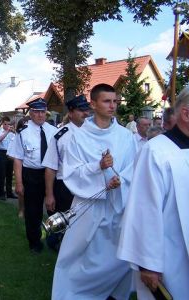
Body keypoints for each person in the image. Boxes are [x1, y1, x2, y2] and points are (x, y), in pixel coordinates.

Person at [51, 84, 137, 299]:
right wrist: (98, 167)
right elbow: (71, 171)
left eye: (115, 101)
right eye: (107, 101)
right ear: (93, 104)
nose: (112, 106)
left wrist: (121, 180)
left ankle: (113, 293)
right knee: (78, 256)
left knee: (118, 257)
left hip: (117, 205)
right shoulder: (79, 137)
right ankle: (74, 293)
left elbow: (134, 167)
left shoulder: (126, 136)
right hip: (88, 207)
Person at [117, 86, 189, 300]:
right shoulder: (156, 151)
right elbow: (144, 210)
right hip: (171, 257)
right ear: (186, 113)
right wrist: (147, 264)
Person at [7, 99, 57, 253]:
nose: (40, 115)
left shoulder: (54, 132)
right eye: (36, 112)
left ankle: (54, 240)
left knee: (54, 210)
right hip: (32, 175)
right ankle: (34, 243)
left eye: (42, 111)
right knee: (32, 211)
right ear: (31, 113)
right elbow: (18, 158)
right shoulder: (23, 133)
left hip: (51, 173)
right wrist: (19, 183)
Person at [42, 94, 91, 251]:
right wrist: (49, 195)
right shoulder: (60, 136)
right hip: (65, 186)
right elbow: (50, 167)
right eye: (81, 110)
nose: (86, 113)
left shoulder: (93, 133)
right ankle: (58, 248)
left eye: (87, 110)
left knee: (84, 223)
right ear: (70, 113)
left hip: (88, 184)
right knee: (64, 223)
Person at [0, 116, 17, 200]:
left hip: (10, 153)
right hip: (1, 153)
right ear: (2, 124)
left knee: (9, 174)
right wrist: (7, 132)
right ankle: (1, 193)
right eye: (5, 124)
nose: (7, 125)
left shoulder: (12, 133)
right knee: (2, 174)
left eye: (8, 124)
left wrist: (14, 131)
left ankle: (9, 192)